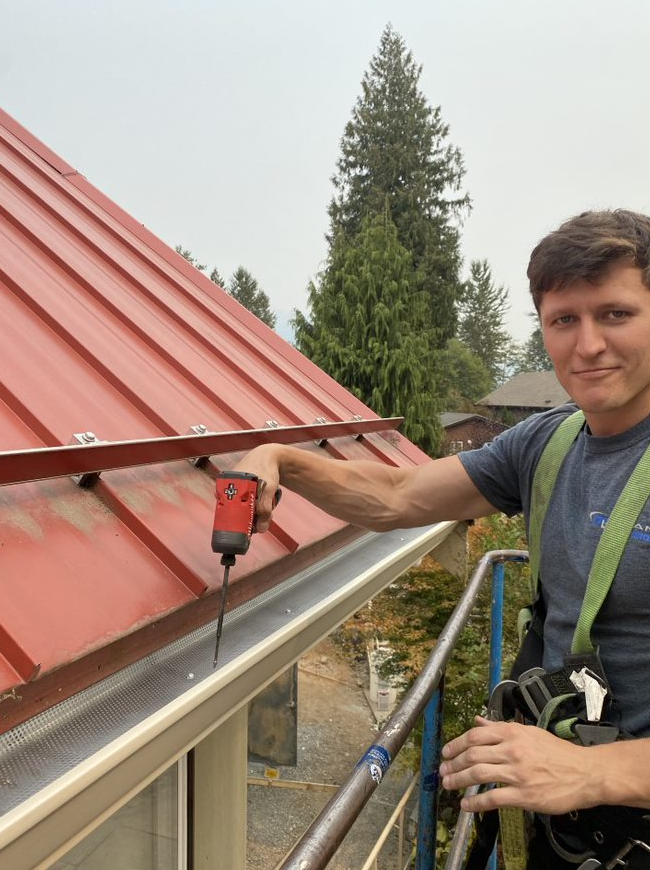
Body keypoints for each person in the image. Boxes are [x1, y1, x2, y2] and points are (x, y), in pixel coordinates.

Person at [235, 209, 650, 867]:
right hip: (562, 813)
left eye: (616, 314)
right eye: (564, 320)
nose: (588, 344)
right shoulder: (546, 443)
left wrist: (595, 771)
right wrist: (281, 460)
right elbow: (398, 496)